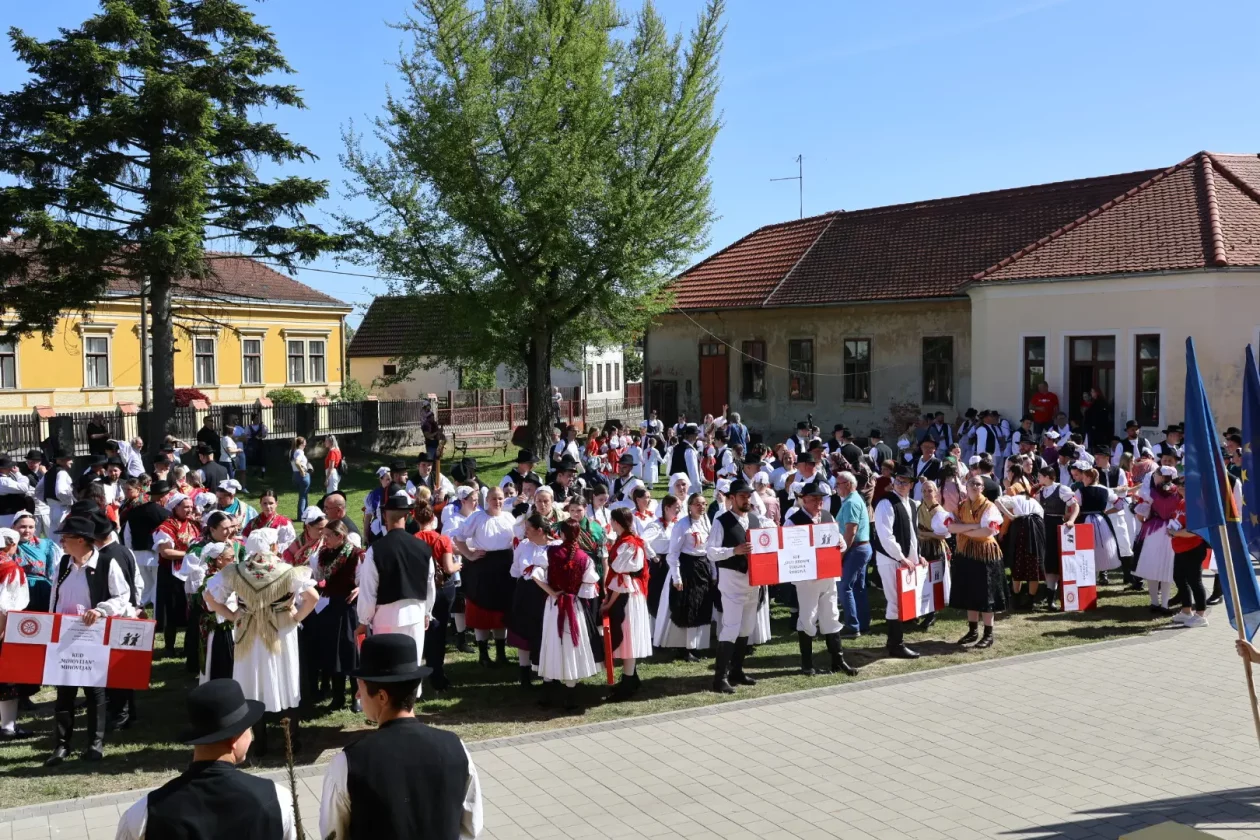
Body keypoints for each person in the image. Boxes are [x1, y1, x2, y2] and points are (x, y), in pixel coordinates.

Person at [319, 634, 483, 840]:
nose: (357, 696)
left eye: (360, 687)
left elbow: (332, 834)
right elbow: (471, 827)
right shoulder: (456, 748)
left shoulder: (349, 763)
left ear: (381, 696)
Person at [114, 679, 299, 840]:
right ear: (234, 740)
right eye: (248, 729)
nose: (252, 736)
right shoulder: (276, 800)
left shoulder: (144, 814)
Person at [202, 528, 318, 756]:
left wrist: (234, 615)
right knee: (285, 677)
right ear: (273, 547)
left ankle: (259, 743)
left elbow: (210, 598)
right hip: (281, 629)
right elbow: (312, 598)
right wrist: (296, 617)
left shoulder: (235, 571)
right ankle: (291, 741)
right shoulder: (288, 571)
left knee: (252, 679)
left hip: (249, 630)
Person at [45, 516, 134, 766]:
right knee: (64, 693)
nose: (61, 542)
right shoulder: (64, 563)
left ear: (81, 540)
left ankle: (95, 744)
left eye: (66, 538)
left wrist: (102, 609)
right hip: (64, 635)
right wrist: (52, 623)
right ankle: (61, 745)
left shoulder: (107, 563)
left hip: (92, 636)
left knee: (95, 693)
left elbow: (122, 595)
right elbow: (56, 596)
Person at [356, 485, 436, 697]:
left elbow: (368, 590)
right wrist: (427, 611)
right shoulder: (422, 547)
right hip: (416, 612)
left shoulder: (377, 550)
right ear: (409, 515)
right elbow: (430, 584)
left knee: (389, 667)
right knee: (412, 663)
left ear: (384, 515)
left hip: (386, 615)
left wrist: (364, 619)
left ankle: (392, 705)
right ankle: (410, 703)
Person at [787, 481, 856, 676]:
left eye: (820, 498)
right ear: (803, 500)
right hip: (807, 578)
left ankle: (838, 660)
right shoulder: (793, 520)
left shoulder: (827, 516)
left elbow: (841, 542)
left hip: (828, 575)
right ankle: (807, 664)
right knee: (808, 617)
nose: (818, 502)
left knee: (831, 615)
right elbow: (787, 549)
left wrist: (833, 552)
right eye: (814, 498)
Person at [704, 478, 764, 694]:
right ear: (732, 498)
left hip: (753, 581)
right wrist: (733, 551)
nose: (746, 499)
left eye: (748, 496)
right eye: (742, 496)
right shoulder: (721, 521)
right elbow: (710, 552)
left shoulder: (756, 521)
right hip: (731, 580)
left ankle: (737, 670)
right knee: (730, 627)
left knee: (746, 627)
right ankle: (719, 678)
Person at [534, 520, 600, 711]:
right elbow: (589, 589)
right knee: (571, 645)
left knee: (551, 642)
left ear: (562, 534)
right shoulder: (584, 558)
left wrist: (553, 593)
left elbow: (536, 575)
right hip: (574, 605)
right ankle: (570, 695)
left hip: (554, 605)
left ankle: (547, 693)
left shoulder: (550, 552)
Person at [452, 486, 517, 667]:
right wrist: (470, 555)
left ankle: (501, 653)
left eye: (501, 498)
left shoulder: (508, 517)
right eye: (494, 498)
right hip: (483, 568)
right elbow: (458, 538)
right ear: (487, 500)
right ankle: (483, 654)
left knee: (501, 611)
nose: (498, 502)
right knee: (482, 611)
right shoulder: (477, 517)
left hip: (505, 568)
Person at [947, 476, 1006, 648]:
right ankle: (972, 631)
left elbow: (989, 530)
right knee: (969, 592)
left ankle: (988, 633)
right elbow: (950, 527)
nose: (974, 486)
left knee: (986, 594)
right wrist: (973, 527)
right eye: (971, 483)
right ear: (966, 486)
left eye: (978, 484)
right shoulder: (961, 506)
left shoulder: (989, 506)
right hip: (966, 552)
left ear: (982, 488)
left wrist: (964, 530)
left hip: (986, 555)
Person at [871, 465, 923, 659]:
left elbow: (913, 535)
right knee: (894, 602)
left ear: (911, 485)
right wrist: (900, 557)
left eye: (905, 482)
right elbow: (886, 536)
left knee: (903, 602)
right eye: (898, 481)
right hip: (890, 559)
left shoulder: (911, 504)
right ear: (893, 482)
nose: (901, 485)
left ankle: (895, 642)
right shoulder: (886, 503)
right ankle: (895, 644)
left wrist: (918, 555)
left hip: (905, 560)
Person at [312, 519, 364, 710]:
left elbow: (365, 579)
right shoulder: (323, 555)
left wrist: (359, 589)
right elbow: (318, 576)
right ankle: (338, 695)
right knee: (334, 651)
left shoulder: (356, 555)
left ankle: (356, 696)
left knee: (351, 650)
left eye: (327, 536)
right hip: (331, 606)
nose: (324, 539)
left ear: (339, 536)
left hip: (349, 607)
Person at [603, 507, 652, 700]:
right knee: (628, 636)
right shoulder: (628, 542)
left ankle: (628, 682)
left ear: (616, 522)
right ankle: (631, 678)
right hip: (630, 591)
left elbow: (620, 574)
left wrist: (609, 602)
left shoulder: (628, 545)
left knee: (627, 637)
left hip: (627, 593)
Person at [415, 501, 461, 693]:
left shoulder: (413, 539)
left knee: (422, 630)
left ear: (416, 519)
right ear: (433, 518)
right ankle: (437, 673)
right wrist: (459, 566)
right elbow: (449, 568)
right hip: (443, 588)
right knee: (439, 629)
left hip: (421, 589)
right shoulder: (443, 540)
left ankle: (421, 670)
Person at [154, 494, 202, 657]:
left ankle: (189, 646)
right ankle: (169, 647)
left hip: (190, 572)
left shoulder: (194, 525)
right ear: (175, 508)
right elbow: (166, 552)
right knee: (171, 610)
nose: (189, 510)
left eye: (190, 506)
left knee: (190, 609)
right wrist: (189, 554)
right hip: (171, 574)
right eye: (185, 507)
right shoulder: (166, 527)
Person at [1133, 466, 1180, 615]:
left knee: (1151, 567)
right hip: (1172, 530)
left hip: (1153, 529)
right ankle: (1165, 604)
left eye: (1155, 475)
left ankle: (1154, 602)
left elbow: (1140, 515)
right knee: (1167, 569)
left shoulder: (1149, 493)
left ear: (1160, 476)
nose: (1154, 477)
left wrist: (1147, 521)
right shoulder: (1179, 492)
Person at [0, 527, 31, 741]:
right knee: (6, 678)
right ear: (12, 544)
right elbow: (5, 606)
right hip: (3, 627)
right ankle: (8, 726)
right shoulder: (10, 567)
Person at [999, 470, 1045, 611]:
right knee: (1033, 566)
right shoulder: (1036, 503)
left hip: (1021, 532)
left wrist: (1010, 516)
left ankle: (1016, 599)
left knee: (1018, 565)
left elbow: (997, 501)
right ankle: (1030, 601)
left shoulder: (1015, 499)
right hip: (1036, 533)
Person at [1167, 477, 1209, 627]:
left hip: (1193, 548)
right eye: (1178, 485)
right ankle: (1186, 611)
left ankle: (1201, 614)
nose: (1180, 487)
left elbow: (1196, 531)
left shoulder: (1196, 504)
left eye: (1184, 485)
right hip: (1180, 548)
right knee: (1179, 578)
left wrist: (1175, 533)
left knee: (1194, 581)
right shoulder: (1182, 502)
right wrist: (1172, 530)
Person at [1036, 466, 1079, 610]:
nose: (1038, 478)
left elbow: (1075, 505)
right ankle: (1049, 599)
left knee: (1056, 562)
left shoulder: (1062, 489)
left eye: (1040, 476)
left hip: (1056, 526)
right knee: (1047, 562)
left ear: (1048, 476)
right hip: (1043, 527)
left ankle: (1058, 597)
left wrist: (1071, 520)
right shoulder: (1041, 490)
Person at [14, 511, 55, 613]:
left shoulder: (45, 544)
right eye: (23, 526)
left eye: (31, 527)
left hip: (41, 588)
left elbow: (51, 570)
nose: (27, 530)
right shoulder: (7, 545)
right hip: (18, 589)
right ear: (14, 527)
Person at [242, 489, 297, 556]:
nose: (268, 506)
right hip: (255, 558)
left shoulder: (284, 523)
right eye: (265, 503)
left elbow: (289, 543)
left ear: (276, 504)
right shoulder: (253, 523)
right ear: (260, 504)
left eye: (271, 503)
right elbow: (245, 540)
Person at [289, 437, 311, 520]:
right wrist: (302, 470)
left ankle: (303, 514)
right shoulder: (299, 452)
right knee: (303, 496)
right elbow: (297, 462)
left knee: (302, 495)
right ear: (301, 444)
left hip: (295, 474)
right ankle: (302, 515)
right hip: (302, 475)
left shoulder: (292, 451)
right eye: (304, 443)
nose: (305, 445)